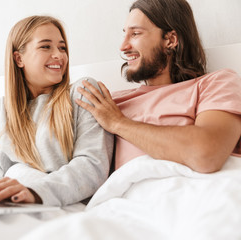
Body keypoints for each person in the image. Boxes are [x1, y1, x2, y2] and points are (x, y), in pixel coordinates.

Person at [75, 0, 241, 174]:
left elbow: (207, 154)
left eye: (135, 34)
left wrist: (118, 123)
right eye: (125, 34)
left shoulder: (214, 84)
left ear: (170, 39)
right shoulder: (108, 104)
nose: (123, 47)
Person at [0, 15, 113, 206]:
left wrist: (35, 193)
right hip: (11, 204)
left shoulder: (82, 92)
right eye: (45, 46)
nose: (59, 55)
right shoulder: (0, 109)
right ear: (18, 58)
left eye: (62, 48)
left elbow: (92, 166)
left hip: (62, 204)